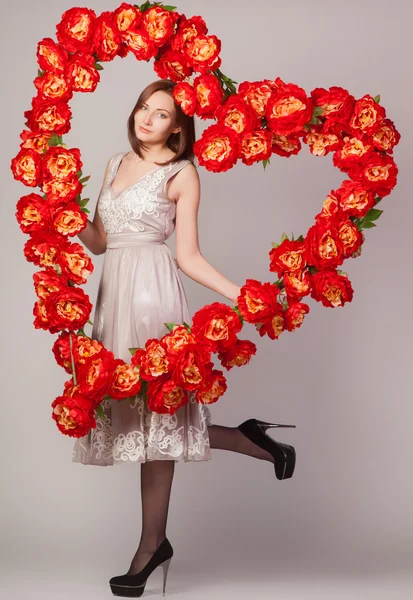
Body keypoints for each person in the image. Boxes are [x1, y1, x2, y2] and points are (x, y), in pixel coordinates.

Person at [72, 78, 296, 597]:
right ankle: (247, 438)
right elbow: (102, 242)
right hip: (114, 299)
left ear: (179, 125)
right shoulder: (113, 164)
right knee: (139, 417)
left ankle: (150, 547)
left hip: (151, 298)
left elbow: (188, 256)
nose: (146, 119)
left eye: (161, 114)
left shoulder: (182, 172)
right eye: (142, 108)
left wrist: (245, 296)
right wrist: (69, 219)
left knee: (160, 418)